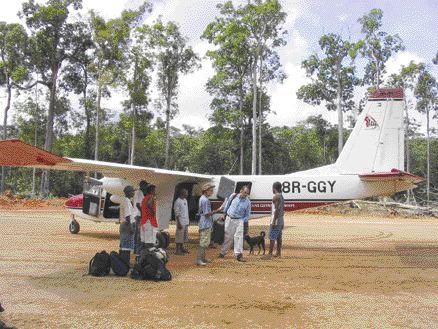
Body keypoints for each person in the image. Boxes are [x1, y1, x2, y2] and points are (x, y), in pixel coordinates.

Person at [219, 185, 251, 262]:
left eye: (247, 193)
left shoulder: (248, 202)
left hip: (239, 220)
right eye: (245, 192)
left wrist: (243, 221)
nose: (246, 194)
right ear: (241, 191)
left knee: (239, 237)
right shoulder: (233, 196)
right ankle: (223, 252)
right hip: (229, 218)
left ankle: (239, 255)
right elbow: (227, 205)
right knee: (228, 236)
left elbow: (247, 215)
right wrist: (224, 214)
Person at [197, 183, 220, 266]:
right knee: (203, 242)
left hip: (204, 223)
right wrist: (217, 211)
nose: (212, 192)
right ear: (206, 191)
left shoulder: (202, 199)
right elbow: (207, 213)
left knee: (205, 241)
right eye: (210, 191)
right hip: (205, 223)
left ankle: (202, 258)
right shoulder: (205, 200)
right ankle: (199, 259)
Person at [263, 182, 285, 259]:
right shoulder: (281, 196)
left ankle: (270, 254)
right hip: (281, 219)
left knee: (272, 237)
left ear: (274, 188)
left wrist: (273, 221)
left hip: (276, 219)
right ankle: (278, 253)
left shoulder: (276, 197)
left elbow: (276, 210)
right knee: (279, 237)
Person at [119, 185, 136, 266]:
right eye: (132, 191)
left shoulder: (126, 201)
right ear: (128, 192)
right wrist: (130, 227)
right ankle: (125, 263)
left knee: (125, 245)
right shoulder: (126, 201)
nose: (134, 192)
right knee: (126, 246)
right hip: (127, 225)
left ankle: (125, 262)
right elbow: (128, 216)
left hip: (125, 225)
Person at [141, 184, 158, 249]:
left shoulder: (144, 198)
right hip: (149, 222)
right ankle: (149, 256)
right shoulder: (151, 197)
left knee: (146, 241)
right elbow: (149, 204)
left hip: (145, 221)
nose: (155, 192)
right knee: (150, 242)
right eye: (154, 190)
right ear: (151, 191)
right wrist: (153, 212)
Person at [174, 188, 190, 255]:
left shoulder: (185, 200)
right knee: (179, 236)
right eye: (186, 193)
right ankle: (177, 250)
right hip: (180, 222)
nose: (187, 194)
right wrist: (179, 223)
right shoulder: (178, 201)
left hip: (185, 221)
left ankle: (182, 248)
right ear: (183, 193)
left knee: (183, 236)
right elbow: (176, 213)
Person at [134, 181, 148, 255]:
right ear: (142, 185)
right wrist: (143, 214)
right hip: (139, 215)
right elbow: (137, 204)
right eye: (145, 185)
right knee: (139, 234)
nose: (146, 187)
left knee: (137, 233)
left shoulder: (139, 192)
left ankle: (135, 249)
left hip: (138, 215)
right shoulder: (139, 193)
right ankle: (138, 250)